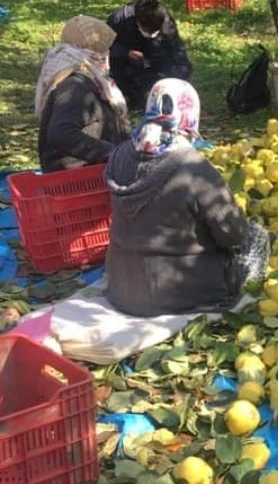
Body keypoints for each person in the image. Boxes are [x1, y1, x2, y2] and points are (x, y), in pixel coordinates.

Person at [104, 78, 269, 317]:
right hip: (179, 294)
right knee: (257, 237)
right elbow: (233, 235)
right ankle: (239, 294)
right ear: (190, 114)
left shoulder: (119, 155)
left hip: (121, 288)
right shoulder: (194, 169)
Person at [35, 14, 129, 173]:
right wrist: (112, 153)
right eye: (105, 50)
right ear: (94, 52)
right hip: (77, 177)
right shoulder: (74, 86)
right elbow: (61, 133)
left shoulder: (90, 76)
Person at [107, 0, 192, 111]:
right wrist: (126, 53)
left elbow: (178, 52)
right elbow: (104, 48)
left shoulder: (166, 23)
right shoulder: (120, 20)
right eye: (147, 31)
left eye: (155, 32)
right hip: (126, 67)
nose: (151, 35)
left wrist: (174, 78)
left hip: (155, 67)